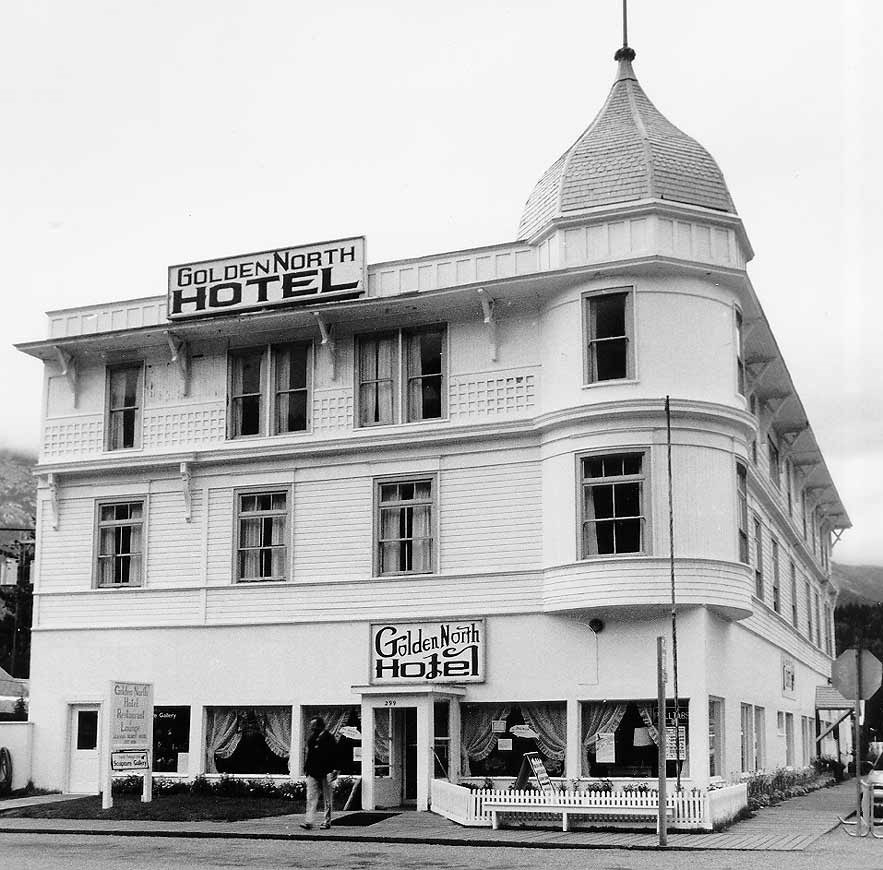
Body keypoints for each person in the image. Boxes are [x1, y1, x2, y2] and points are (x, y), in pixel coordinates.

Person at [301, 716, 338, 829]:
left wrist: (334, 769)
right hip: (312, 772)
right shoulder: (311, 739)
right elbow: (309, 755)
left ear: (320, 726)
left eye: (314, 725)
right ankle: (309, 821)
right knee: (311, 797)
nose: (312, 728)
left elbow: (335, 755)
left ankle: (327, 821)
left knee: (327, 798)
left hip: (326, 772)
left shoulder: (329, 738)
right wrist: (306, 770)